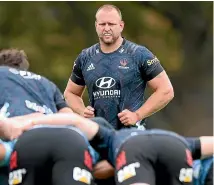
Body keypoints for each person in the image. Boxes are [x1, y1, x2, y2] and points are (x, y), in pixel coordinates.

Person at [2, 114, 213, 185]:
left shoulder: (111, 137)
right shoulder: (179, 140)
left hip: (134, 149)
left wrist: (30, 123)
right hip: (177, 144)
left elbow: (74, 121)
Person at [64, 4, 174, 130]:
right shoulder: (85, 57)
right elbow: (70, 93)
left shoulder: (139, 54)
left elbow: (166, 90)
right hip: (99, 134)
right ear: (96, 26)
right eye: (102, 24)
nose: (106, 28)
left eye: (111, 24)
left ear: (121, 26)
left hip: (131, 135)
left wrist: (137, 115)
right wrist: (82, 111)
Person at [0, 48, 73, 185]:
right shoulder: (47, 82)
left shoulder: (1, 74)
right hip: (57, 140)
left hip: (17, 140)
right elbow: (69, 117)